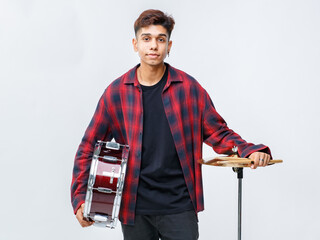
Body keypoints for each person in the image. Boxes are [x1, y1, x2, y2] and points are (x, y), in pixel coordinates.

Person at [71, 9, 271, 240]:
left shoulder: (189, 89)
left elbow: (218, 132)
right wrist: (80, 198)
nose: (153, 46)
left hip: (179, 207)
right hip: (135, 208)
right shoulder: (116, 93)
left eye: (160, 39)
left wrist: (250, 149)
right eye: (146, 39)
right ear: (135, 44)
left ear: (169, 45)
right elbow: (88, 147)